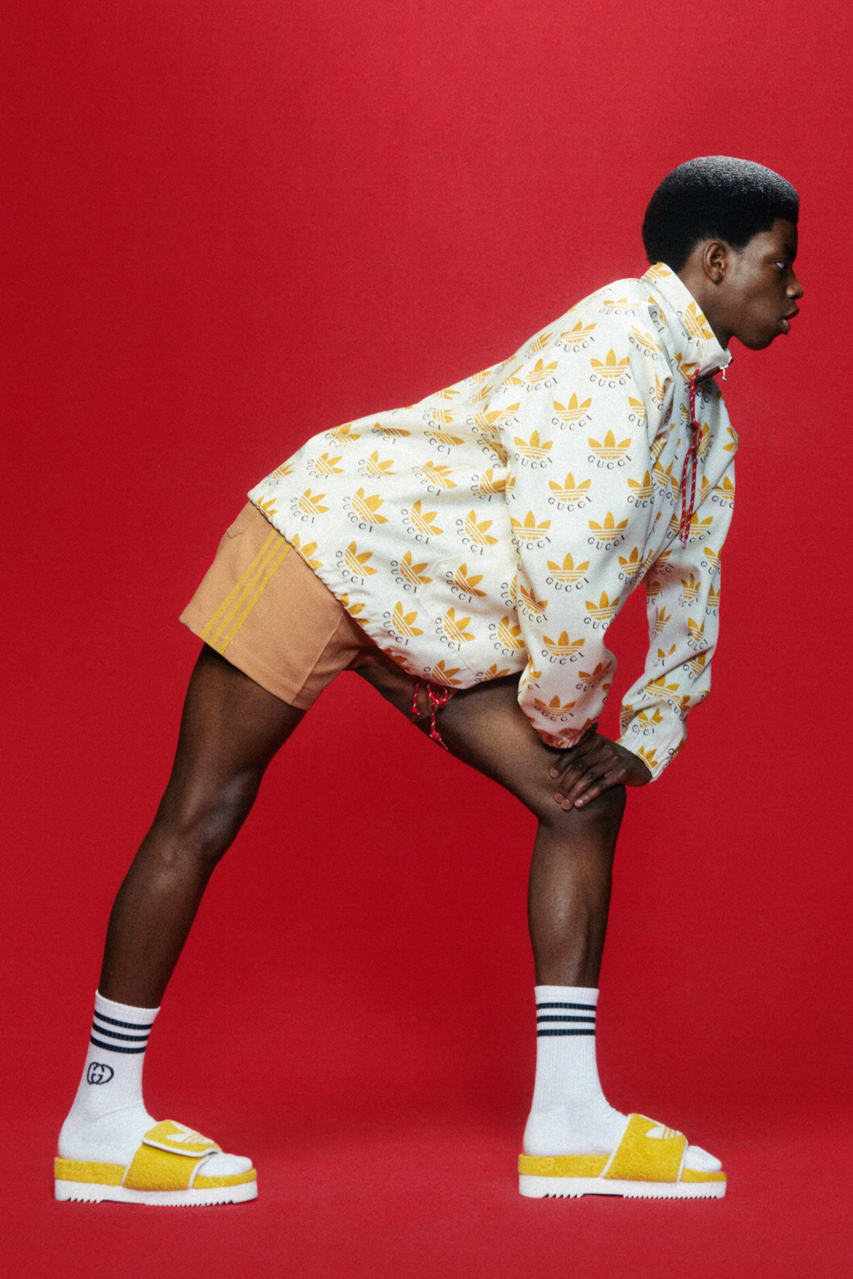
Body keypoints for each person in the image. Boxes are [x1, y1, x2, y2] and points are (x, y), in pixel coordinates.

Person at [55, 156, 802, 1204]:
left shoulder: (702, 415)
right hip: (327, 541)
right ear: (715, 262)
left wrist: (645, 731)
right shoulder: (616, 348)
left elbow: (689, 575)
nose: (795, 288)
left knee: (582, 803)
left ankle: (569, 1123)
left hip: (426, 606)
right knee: (205, 807)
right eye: (779, 264)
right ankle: (100, 1118)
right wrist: (566, 715)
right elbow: (568, 562)